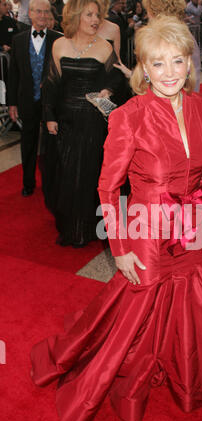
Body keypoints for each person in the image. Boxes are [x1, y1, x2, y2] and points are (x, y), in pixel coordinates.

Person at [30, 15, 202, 421]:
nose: (168, 73)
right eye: (157, 63)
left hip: (191, 228)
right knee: (137, 307)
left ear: (189, 63)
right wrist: (120, 246)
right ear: (143, 68)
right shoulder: (130, 115)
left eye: (177, 61)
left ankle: (186, 366)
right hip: (146, 232)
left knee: (195, 300)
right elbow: (107, 188)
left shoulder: (201, 107)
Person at [40, 0, 127, 247]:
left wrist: (108, 89)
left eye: (97, 15)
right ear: (76, 16)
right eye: (89, 14)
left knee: (89, 174)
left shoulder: (104, 47)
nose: (95, 20)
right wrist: (49, 116)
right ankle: (70, 227)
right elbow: (51, 84)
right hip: (65, 121)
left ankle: (88, 228)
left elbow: (118, 77)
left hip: (92, 122)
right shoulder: (59, 45)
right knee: (65, 173)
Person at [7, 0, 61, 197]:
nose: (43, 16)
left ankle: (51, 183)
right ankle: (28, 182)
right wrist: (11, 103)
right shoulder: (18, 40)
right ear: (30, 13)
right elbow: (13, 75)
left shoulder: (58, 39)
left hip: (51, 102)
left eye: (46, 12)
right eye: (39, 11)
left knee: (51, 144)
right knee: (28, 142)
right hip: (27, 100)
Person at [142, 0, 201, 91]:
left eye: (148, 12)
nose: (147, 16)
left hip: (173, 96)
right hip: (186, 93)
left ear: (155, 12)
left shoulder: (166, 37)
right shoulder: (182, 33)